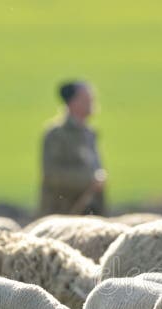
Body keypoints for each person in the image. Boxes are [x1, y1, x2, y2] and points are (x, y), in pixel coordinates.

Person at [39, 80, 106, 215]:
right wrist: (89, 180)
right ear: (72, 102)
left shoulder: (90, 133)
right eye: (86, 98)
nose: (92, 101)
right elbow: (52, 174)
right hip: (61, 213)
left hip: (90, 211)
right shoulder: (56, 134)